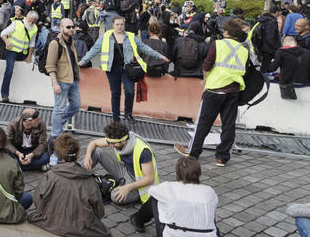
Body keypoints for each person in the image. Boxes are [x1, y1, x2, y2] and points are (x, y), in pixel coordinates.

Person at [175, 18, 249, 167]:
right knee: (229, 124)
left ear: (226, 32)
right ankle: (222, 157)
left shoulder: (218, 44)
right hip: (233, 90)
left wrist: (206, 77)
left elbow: (207, 64)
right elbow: (245, 69)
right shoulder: (244, 49)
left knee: (203, 122)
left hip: (215, 88)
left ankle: (193, 152)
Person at [79, 16, 168, 123]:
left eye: (121, 24)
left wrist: (159, 56)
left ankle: (128, 114)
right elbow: (94, 50)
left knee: (130, 91)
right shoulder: (106, 36)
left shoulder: (130, 36)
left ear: (124, 25)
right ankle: (116, 117)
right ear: (113, 25)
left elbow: (144, 48)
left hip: (127, 68)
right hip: (112, 69)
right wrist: (83, 61)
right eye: (117, 24)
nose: (120, 26)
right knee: (116, 93)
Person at [27, 133, 110, 237]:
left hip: (49, 223)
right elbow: (99, 211)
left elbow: (38, 200)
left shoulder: (50, 175)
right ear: (78, 155)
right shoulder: (89, 180)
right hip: (81, 229)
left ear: (58, 155)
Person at [83, 121, 159, 233]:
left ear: (123, 140)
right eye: (109, 142)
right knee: (97, 152)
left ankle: (122, 189)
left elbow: (149, 178)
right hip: (125, 172)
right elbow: (94, 143)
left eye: (113, 144)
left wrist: (127, 188)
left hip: (139, 183)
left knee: (115, 197)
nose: (111, 145)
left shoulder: (143, 151)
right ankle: (75, 173)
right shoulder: (116, 140)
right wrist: (87, 156)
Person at [145, 157, 218, 237]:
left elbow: (151, 191)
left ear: (177, 174)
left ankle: (137, 220)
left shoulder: (168, 187)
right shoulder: (209, 191)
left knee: (155, 198)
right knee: (208, 208)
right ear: (199, 174)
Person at [46, 17, 81, 146]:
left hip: (73, 80)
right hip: (61, 80)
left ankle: (58, 124)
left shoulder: (71, 41)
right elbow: (50, 65)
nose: (71, 29)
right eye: (68, 27)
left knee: (76, 105)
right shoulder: (55, 43)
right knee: (59, 108)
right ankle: (56, 135)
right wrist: (55, 83)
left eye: (73, 27)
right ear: (61, 28)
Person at [0, 10, 39, 103]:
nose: (31, 23)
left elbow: (32, 43)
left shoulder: (35, 28)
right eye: (30, 20)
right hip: (12, 51)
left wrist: (29, 56)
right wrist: (7, 42)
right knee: (9, 70)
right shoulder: (16, 23)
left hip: (23, 53)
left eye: (33, 21)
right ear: (27, 17)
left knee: (34, 63)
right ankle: (4, 95)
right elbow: (3, 34)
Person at [265, 35, 310, 99]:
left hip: (288, 83)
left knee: (267, 76)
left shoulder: (281, 52)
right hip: (305, 81)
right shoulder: (307, 52)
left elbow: (272, 68)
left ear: (283, 44)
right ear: (295, 43)